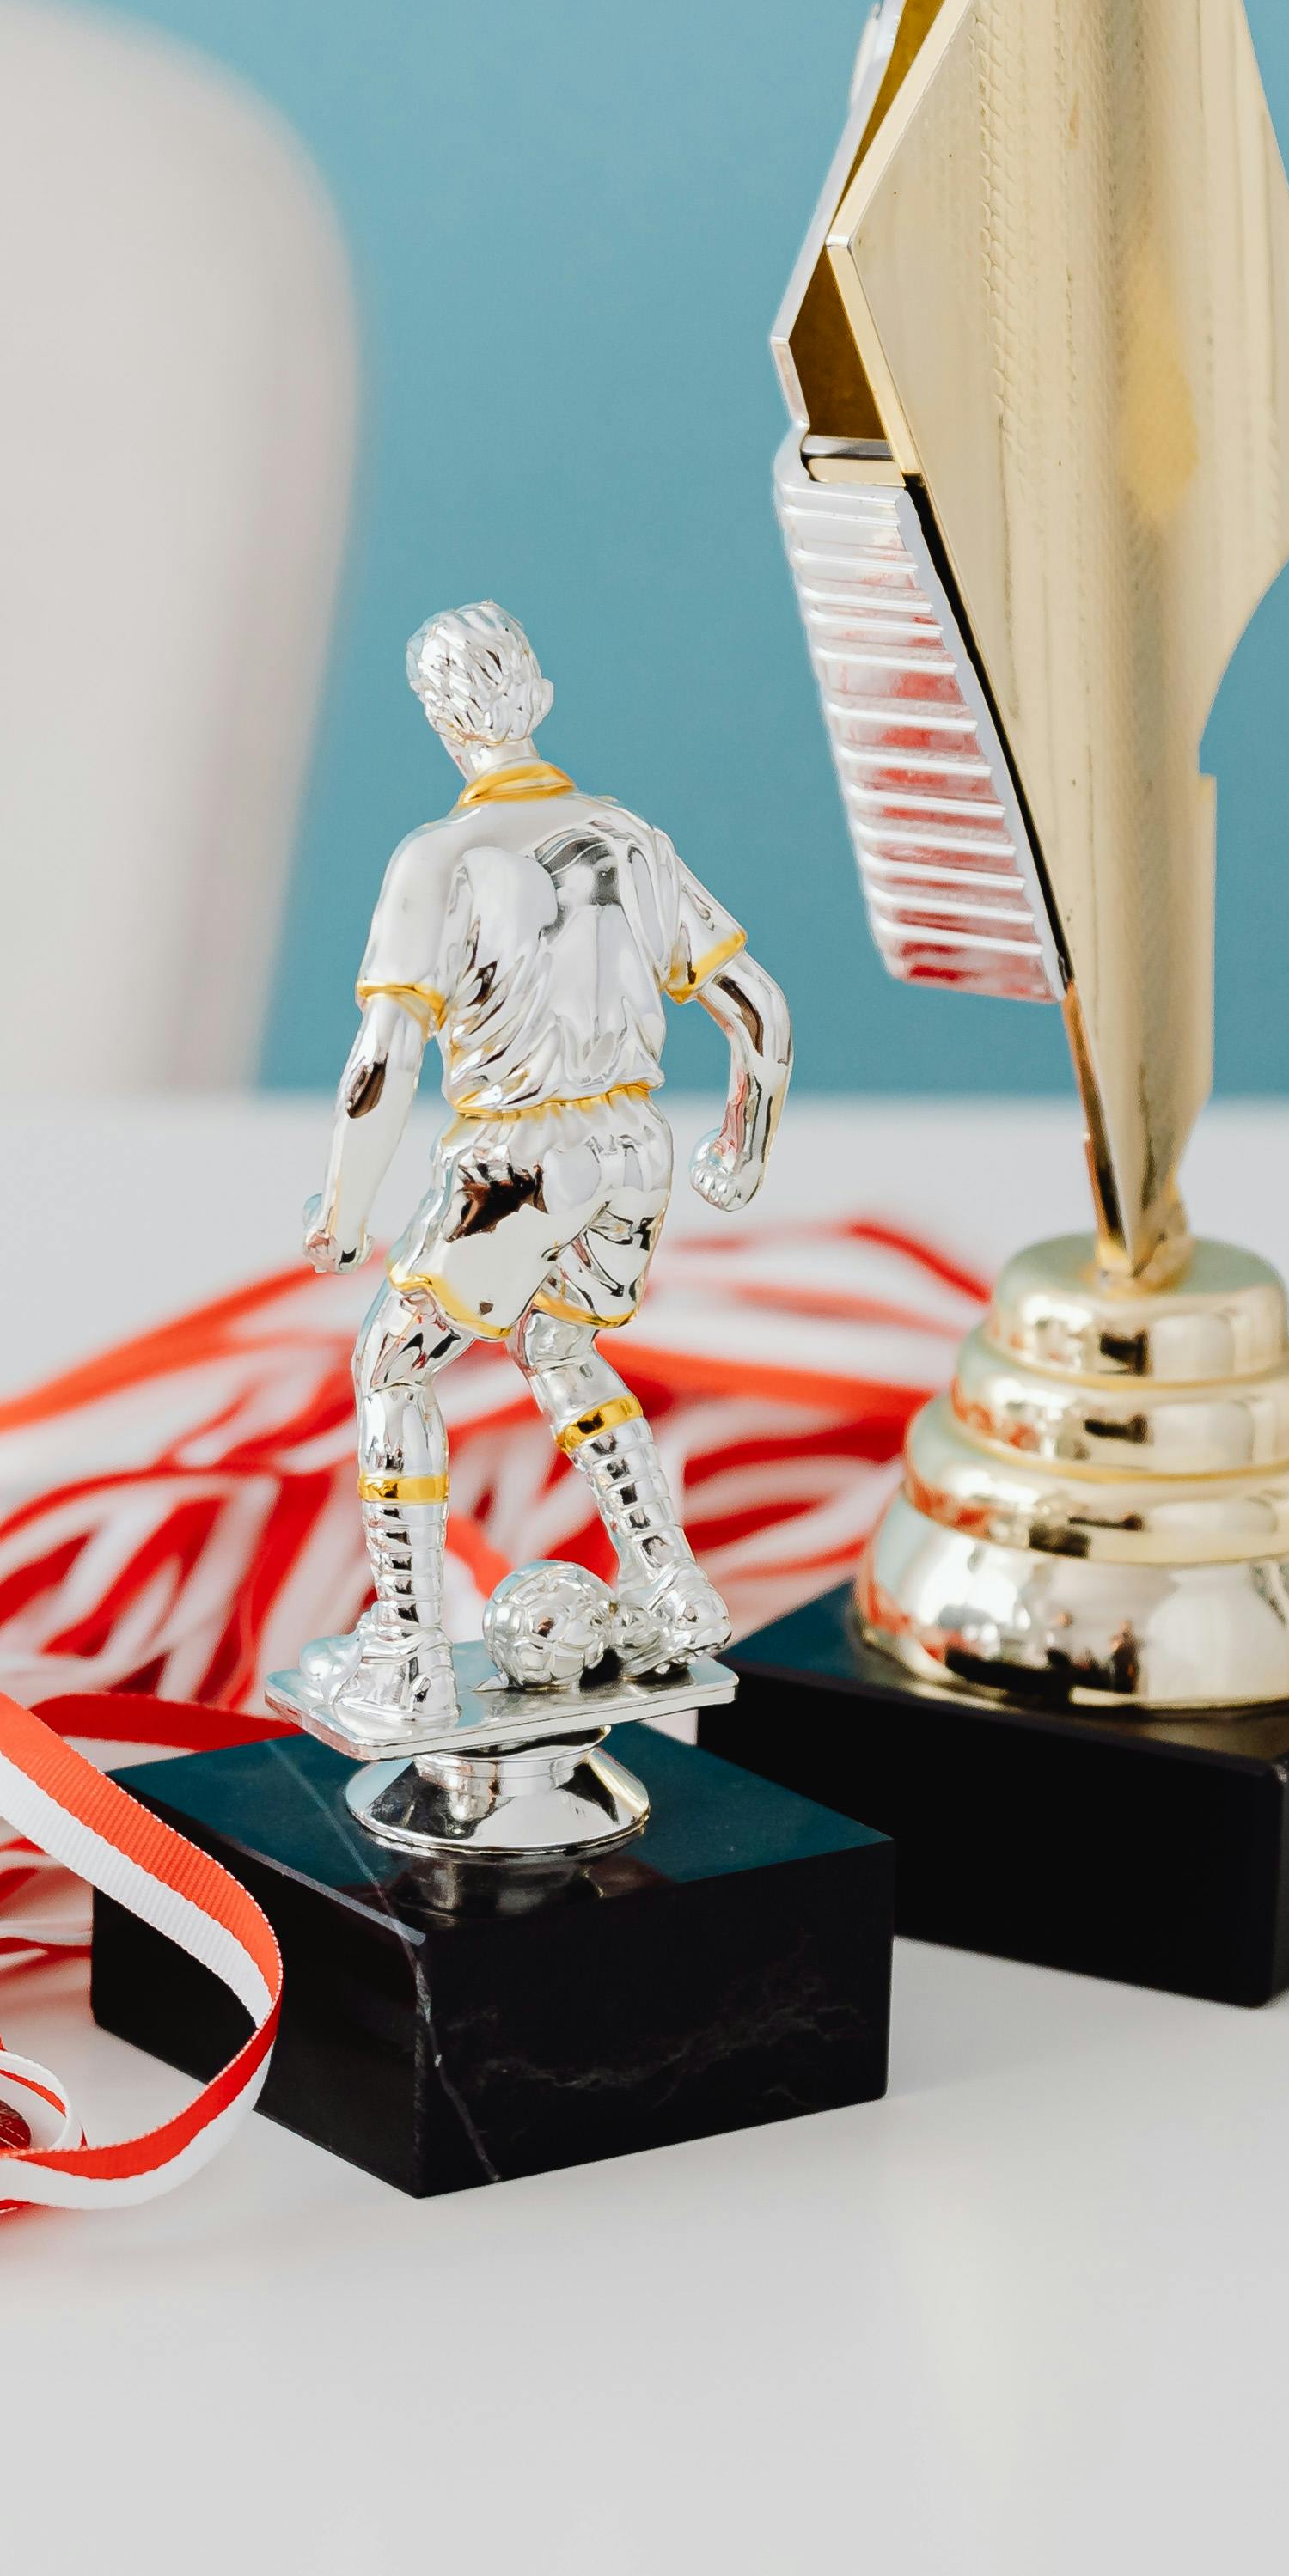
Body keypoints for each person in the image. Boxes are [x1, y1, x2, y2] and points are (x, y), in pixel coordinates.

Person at [295, 601, 793, 1737]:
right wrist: (742, 1143)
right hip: (633, 1151)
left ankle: (409, 1651)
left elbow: (383, 1061)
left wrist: (344, 1209)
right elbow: (760, 1007)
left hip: (518, 1159)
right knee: (558, 1343)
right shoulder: (629, 837)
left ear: (440, 720)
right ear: (542, 695)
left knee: (391, 1365)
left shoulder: (439, 861)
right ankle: (669, 1578)